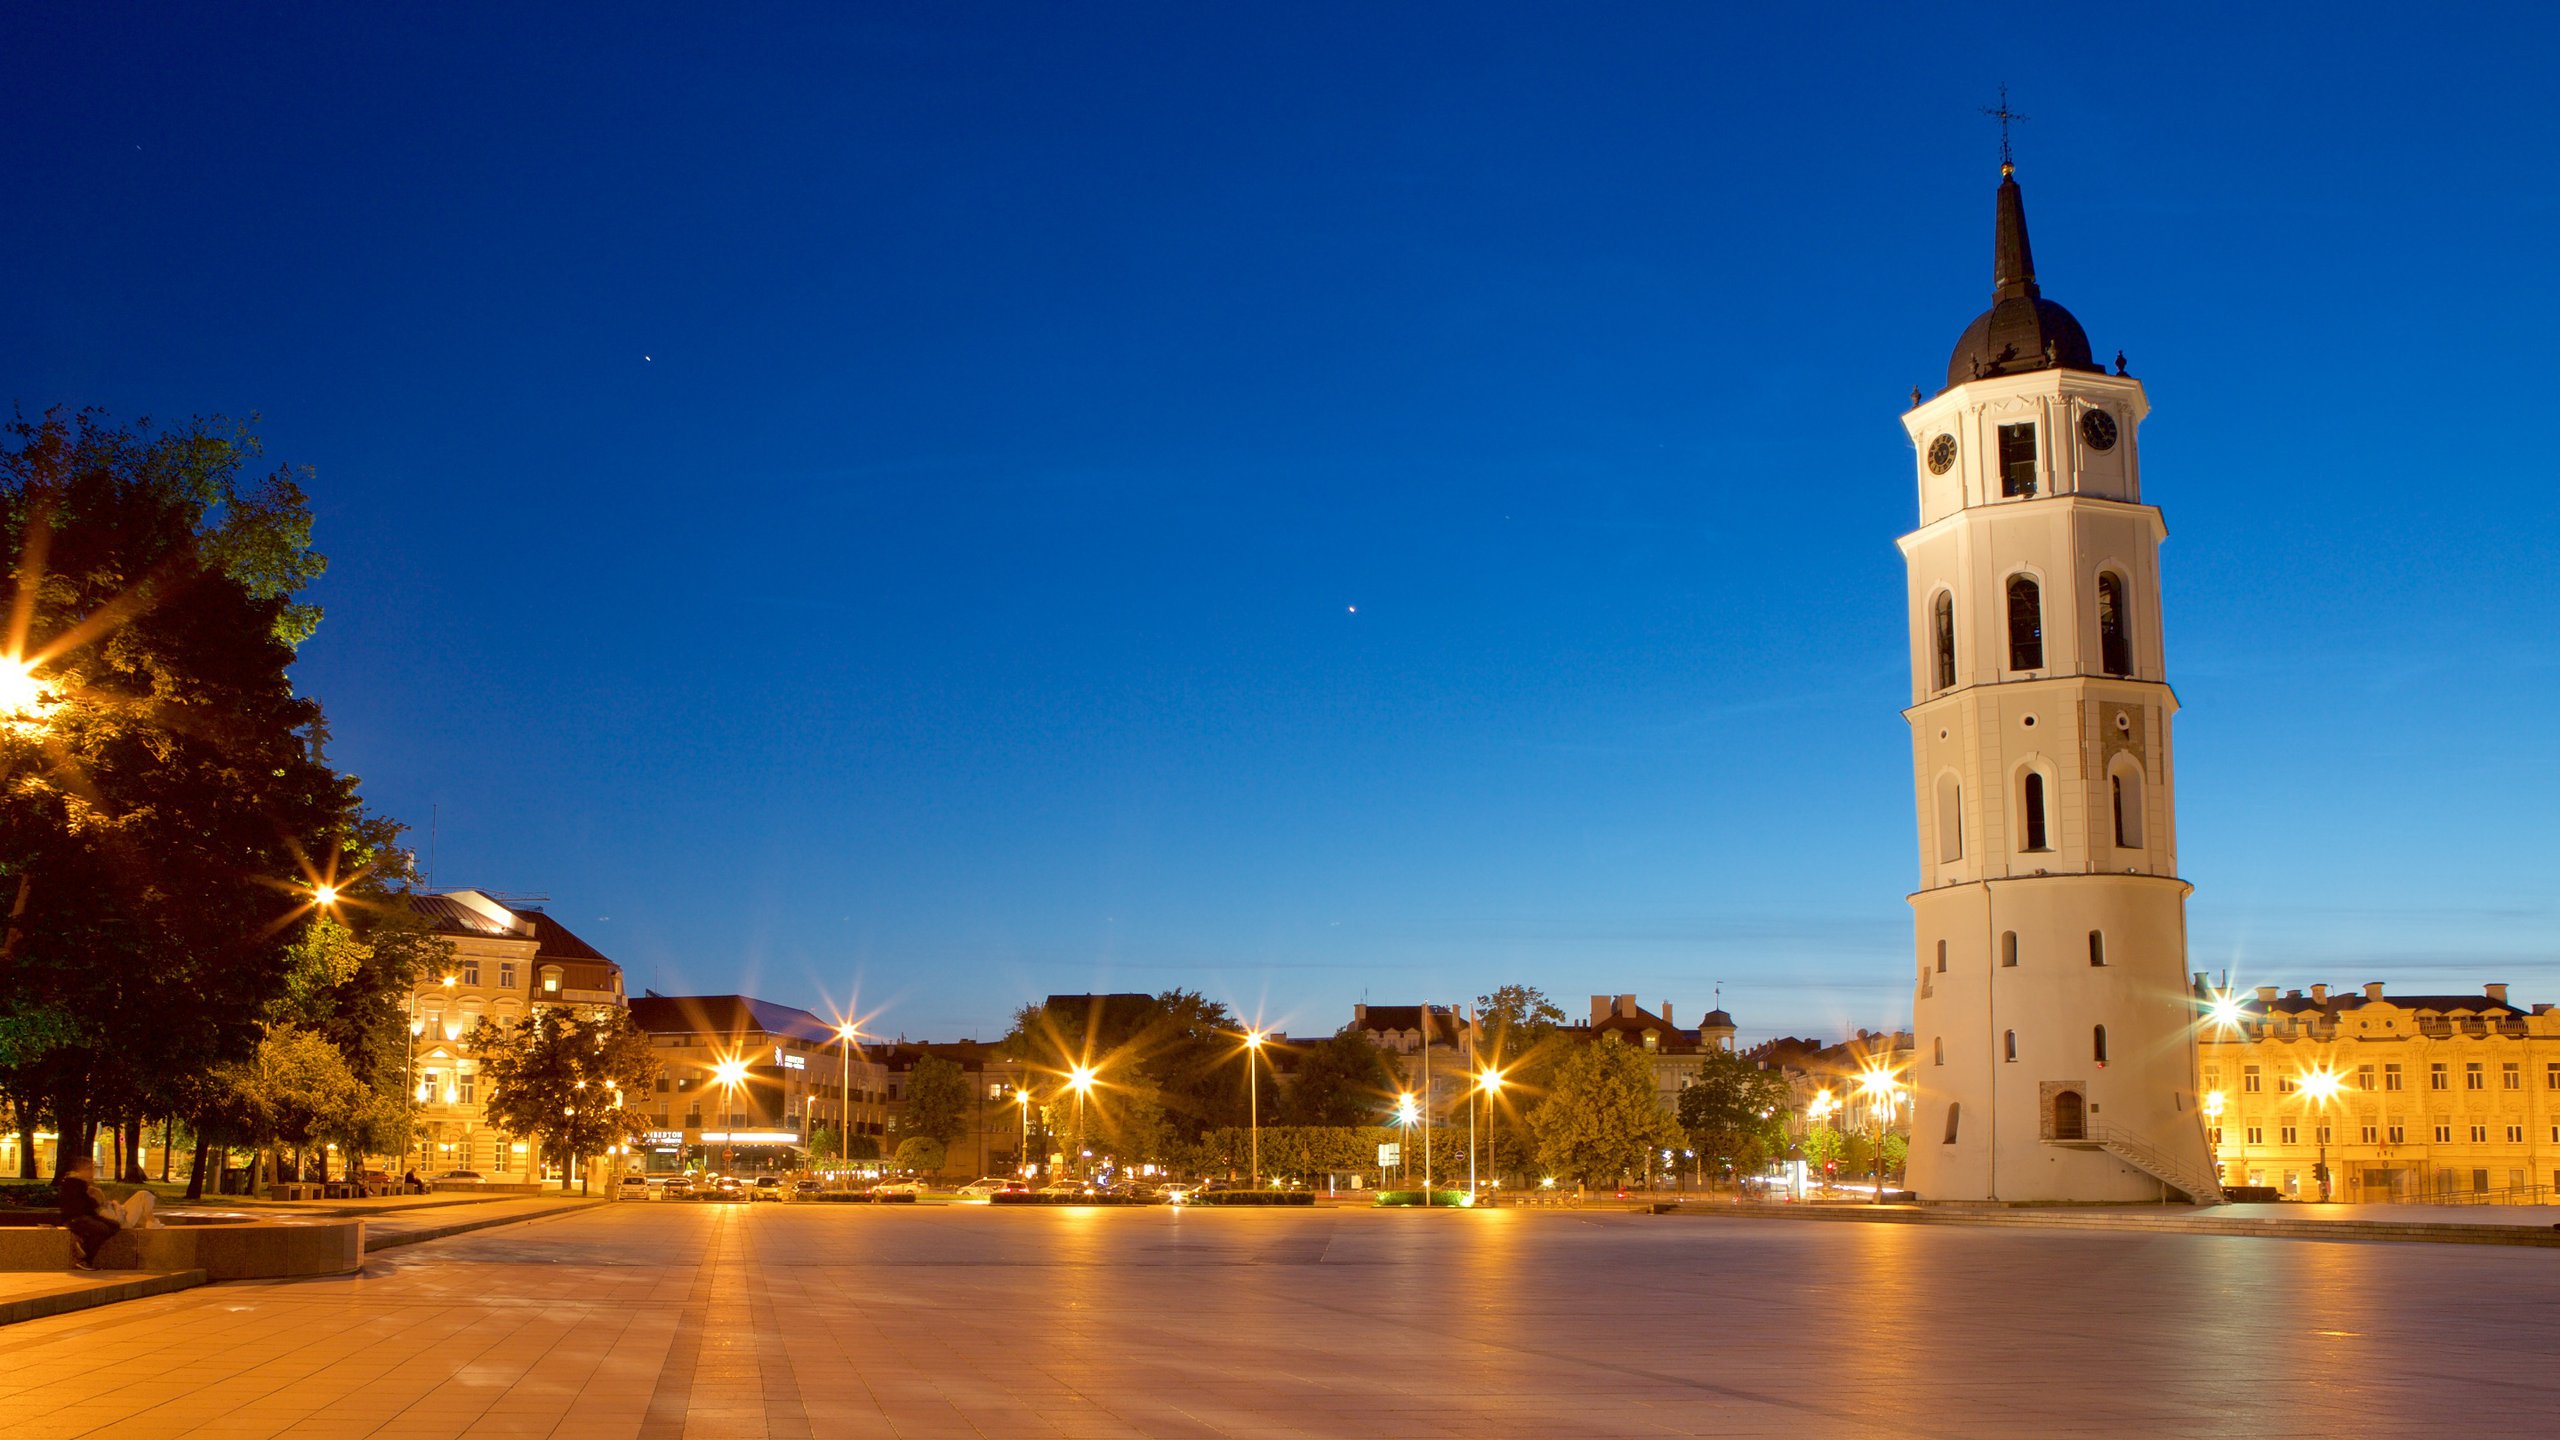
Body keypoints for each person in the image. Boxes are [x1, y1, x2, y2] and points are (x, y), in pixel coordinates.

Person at [57, 1157, 150, 1270]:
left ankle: (84, 1247)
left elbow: (87, 1202)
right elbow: (79, 1205)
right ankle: (85, 1258)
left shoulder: (80, 1183)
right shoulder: (73, 1183)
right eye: (90, 1169)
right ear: (82, 1169)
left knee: (114, 1225)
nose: (92, 1172)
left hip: (86, 1216)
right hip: (75, 1218)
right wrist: (95, 1202)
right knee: (102, 1229)